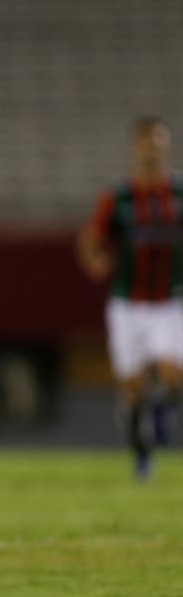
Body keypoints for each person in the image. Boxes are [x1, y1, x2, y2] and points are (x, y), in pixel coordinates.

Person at [76, 115, 181, 481]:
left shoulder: (178, 194)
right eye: (145, 141)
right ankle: (142, 455)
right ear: (135, 147)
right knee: (133, 386)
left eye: (157, 141)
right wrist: (95, 261)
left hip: (170, 301)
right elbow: (91, 238)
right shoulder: (119, 197)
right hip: (127, 303)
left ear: (165, 146)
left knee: (172, 372)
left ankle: (164, 412)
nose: (151, 148)